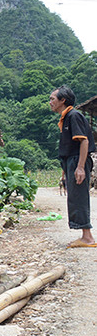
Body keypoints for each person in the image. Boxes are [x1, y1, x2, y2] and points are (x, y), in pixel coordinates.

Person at [49, 86, 96, 248]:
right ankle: (85, 235)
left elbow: (84, 141)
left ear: (63, 100)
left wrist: (80, 167)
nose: (50, 102)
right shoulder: (66, 118)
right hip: (72, 161)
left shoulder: (73, 116)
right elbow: (69, 147)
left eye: (52, 99)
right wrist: (65, 171)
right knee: (74, 197)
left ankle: (88, 237)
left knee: (79, 197)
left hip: (78, 161)